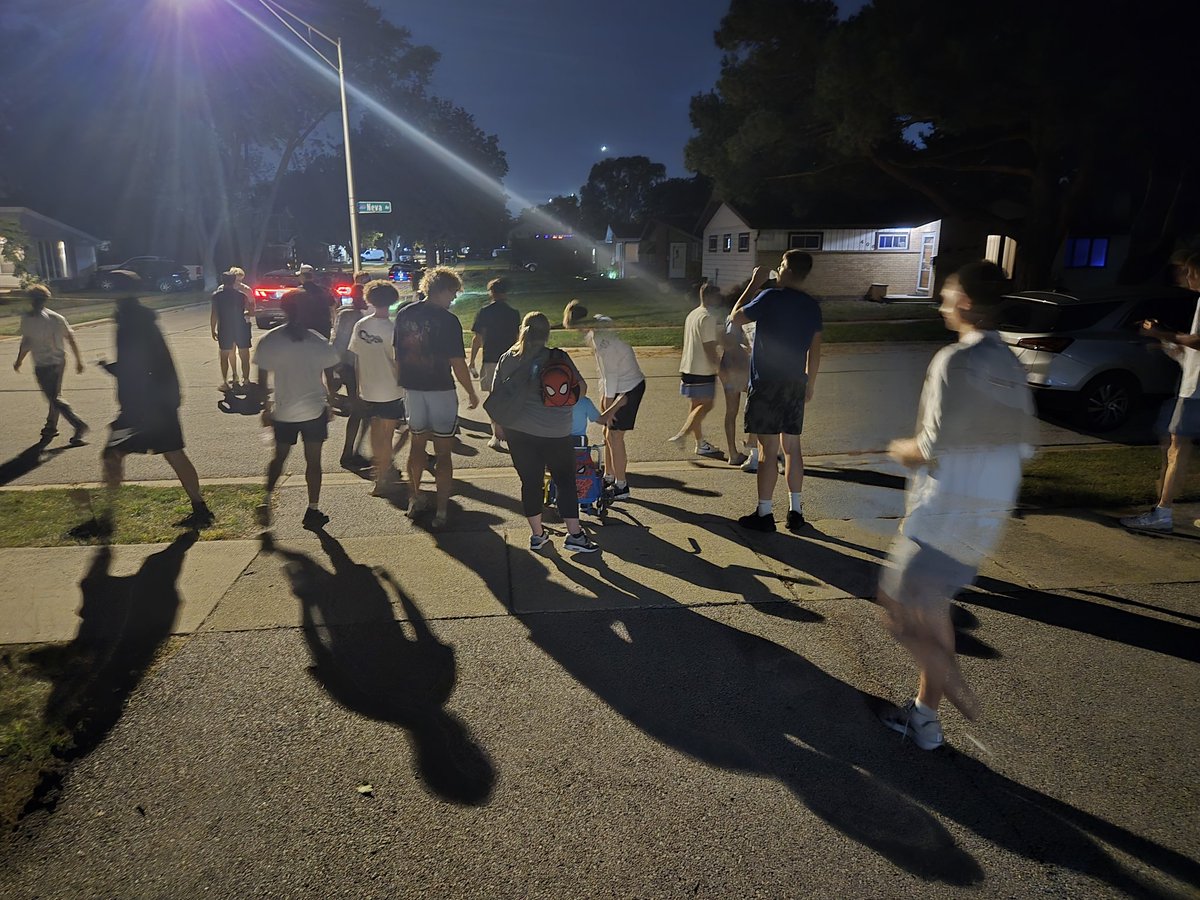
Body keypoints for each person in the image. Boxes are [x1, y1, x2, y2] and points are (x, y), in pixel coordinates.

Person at [876, 261, 1035, 751]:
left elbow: (930, 447)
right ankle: (925, 717)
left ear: (965, 301)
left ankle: (952, 687)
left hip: (947, 509)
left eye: (946, 294)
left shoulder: (954, 359)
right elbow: (1024, 441)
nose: (941, 302)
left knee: (898, 611)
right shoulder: (1009, 361)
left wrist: (898, 449)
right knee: (931, 606)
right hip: (989, 511)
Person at [729, 251, 823, 533]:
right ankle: (796, 511)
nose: (778, 269)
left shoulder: (770, 297)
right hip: (794, 383)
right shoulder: (811, 306)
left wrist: (754, 283)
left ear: (789, 271)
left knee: (768, 450)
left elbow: (735, 318)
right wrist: (809, 383)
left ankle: (765, 512)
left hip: (766, 383)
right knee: (792, 447)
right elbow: (815, 351)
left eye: (781, 265)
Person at [100, 295, 212, 528]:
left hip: (140, 406)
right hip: (163, 402)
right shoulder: (148, 323)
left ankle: (107, 515)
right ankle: (200, 507)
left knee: (112, 453)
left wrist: (112, 369)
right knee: (174, 453)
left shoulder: (128, 326)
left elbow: (134, 367)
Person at [490, 312, 598, 552]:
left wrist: (497, 424)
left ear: (522, 330)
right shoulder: (559, 357)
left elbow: (497, 395)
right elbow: (582, 388)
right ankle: (575, 535)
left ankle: (537, 535)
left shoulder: (508, 358)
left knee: (530, 483)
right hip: (557, 431)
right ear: (547, 333)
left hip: (519, 431)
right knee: (565, 482)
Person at [1120, 250, 1200, 533]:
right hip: (1193, 387)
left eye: (1191, 272)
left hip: (1195, 392)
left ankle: (1162, 513)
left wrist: (1160, 334)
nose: (1188, 277)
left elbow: (1198, 342)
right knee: (1176, 448)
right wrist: (1169, 347)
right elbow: (1192, 351)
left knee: (1176, 449)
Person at [393, 266, 479, 528]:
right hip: (440, 389)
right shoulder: (448, 320)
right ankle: (441, 511)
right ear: (443, 290)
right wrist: (471, 391)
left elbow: (398, 355)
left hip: (413, 388)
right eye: (453, 292)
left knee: (416, 445)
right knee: (443, 452)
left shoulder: (405, 313)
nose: (454, 298)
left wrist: (401, 383)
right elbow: (457, 362)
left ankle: (415, 498)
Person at [253, 292, 341, 529]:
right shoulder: (318, 341)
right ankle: (313, 509)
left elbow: (261, 383)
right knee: (313, 461)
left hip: (284, 410)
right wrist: (331, 401)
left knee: (279, 457)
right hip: (313, 409)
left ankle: (266, 499)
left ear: (283, 309)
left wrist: (266, 408)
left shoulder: (270, 340)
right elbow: (331, 378)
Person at [563, 300, 645, 501]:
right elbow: (605, 375)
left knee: (615, 436)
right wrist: (604, 402)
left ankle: (621, 486)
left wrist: (608, 409)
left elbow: (611, 376)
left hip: (628, 388)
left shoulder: (603, 341)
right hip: (617, 386)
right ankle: (608, 475)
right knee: (607, 433)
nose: (578, 333)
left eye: (576, 329)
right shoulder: (598, 324)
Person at [349, 280, 407, 498]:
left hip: (368, 388)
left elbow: (357, 358)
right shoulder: (394, 329)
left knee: (375, 435)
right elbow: (399, 361)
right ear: (393, 300)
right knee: (388, 435)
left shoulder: (361, 325)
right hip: (391, 389)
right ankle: (383, 475)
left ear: (369, 299)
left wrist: (357, 388)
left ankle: (379, 475)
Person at [13, 284, 88, 445]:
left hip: (44, 363)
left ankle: (78, 424)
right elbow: (71, 339)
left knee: (53, 397)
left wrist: (19, 360)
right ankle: (51, 426)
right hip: (57, 361)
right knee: (55, 395)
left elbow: (26, 342)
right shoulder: (56, 318)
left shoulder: (28, 319)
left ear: (31, 300)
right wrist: (78, 360)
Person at [668, 282, 724, 457]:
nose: (719, 299)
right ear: (708, 296)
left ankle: (700, 443)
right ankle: (682, 435)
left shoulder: (693, 314)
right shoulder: (708, 317)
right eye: (717, 295)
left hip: (688, 367)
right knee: (706, 405)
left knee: (695, 406)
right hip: (702, 369)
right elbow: (709, 346)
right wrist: (719, 367)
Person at [469, 277, 521, 450]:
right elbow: (517, 339)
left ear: (491, 292)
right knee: (510, 397)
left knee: (494, 398)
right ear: (506, 292)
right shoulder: (513, 313)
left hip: (491, 358)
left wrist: (472, 361)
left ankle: (496, 433)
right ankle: (511, 431)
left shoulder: (485, 312)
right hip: (510, 359)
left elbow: (477, 338)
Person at [331, 275, 371, 469]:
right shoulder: (351, 315)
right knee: (359, 411)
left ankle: (353, 451)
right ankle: (349, 453)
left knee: (362, 412)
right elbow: (341, 341)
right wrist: (338, 366)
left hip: (353, 366)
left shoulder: (349, 313)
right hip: (351, 366)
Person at [718, 307, 752, 467]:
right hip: (739, 367)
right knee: (754, 406)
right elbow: (730, 342)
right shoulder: (739, 319)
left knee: (732, 411)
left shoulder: (730, 318)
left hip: (728, 367)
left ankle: (734, 452)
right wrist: (746, 348)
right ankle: (752, 449)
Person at [210, 272, 252, 391]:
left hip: (225, 328)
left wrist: (212, 329)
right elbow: (249, 311)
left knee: (224, 355)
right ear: (234, 281)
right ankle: (246, 380)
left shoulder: (216, 296)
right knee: (244, 355)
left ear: (222, 281)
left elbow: (214, 314)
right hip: (241, 327)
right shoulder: (242, 295)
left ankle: (225, 382)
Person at [296, 263, 336, 338]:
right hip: (323, 329)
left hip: (305, 329)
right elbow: (333, 306)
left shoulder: (297, 292)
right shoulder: (324, 290)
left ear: (302, 277)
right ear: (312, 276)